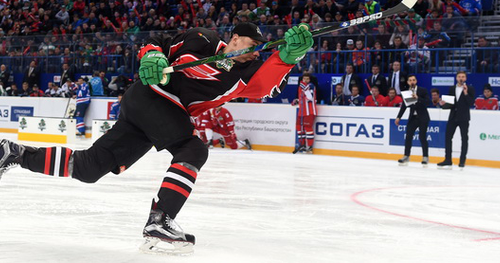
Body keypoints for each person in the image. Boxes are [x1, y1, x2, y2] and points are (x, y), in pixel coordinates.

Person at [0, 23, 313, 255]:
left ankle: (13, 152)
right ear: (234, 38)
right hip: (150, 96)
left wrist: (289, 55)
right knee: (192, 148)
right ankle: (160, 219)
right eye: (250, 42)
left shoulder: (248, 73)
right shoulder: (201, 39)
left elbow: (268, 81)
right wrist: (152, 57)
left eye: (260, 46)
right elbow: (159, 40)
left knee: (89, 167)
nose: (255, 49)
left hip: (157, 112)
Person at [438, 71, 475, 169]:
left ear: (465, 78)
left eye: (463, 77)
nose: (461, 78)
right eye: (459, 76)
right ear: (456, 78)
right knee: (448, 137)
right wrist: (443, 104)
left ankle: (462, 161)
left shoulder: (470, 89)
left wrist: (466, 93)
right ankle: (448, 159)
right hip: (453, 116)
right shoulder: (452, 88)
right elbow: (451, 104)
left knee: (464, 138)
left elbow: (471, 103)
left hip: (464, 117)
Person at [395, 75, 430, 166]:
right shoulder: (406, 93)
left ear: (416, 81)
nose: (412, 82)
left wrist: (418, 98)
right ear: (407, 82)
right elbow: (404, 106)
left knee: (422, 136)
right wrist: (399, 117)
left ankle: (425, 156)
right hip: (413, 117)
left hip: (423, 117)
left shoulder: (422, 90)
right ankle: (406, 155)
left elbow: (427, 102)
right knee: (408, 136)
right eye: (410, 80)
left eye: (413, 80)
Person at [293, 72, 317, 154]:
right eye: (304, 79)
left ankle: (309, 147)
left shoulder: (310, 86)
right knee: (299, 127)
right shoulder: (301, 87)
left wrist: (304, 86)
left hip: (309, 111)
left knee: (308, 128)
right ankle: (302, 145)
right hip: (302, 111)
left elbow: (310, 97)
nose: (305, 80)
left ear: (309, 80)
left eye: (307, 79)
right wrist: (297, 100)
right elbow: (302, 98)